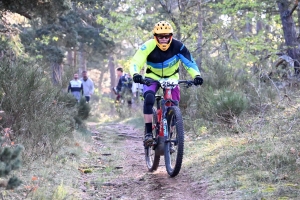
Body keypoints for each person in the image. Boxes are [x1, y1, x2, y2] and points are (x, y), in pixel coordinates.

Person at [129, 21, 203, 146]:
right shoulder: (148, 46)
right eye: (160, 36)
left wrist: (196, 75)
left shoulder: (178, 46)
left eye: (166, 36)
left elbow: (189, 63)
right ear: (155, 36)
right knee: (149, 98)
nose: (163, 39)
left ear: (171, 36)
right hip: (152, 77)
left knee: (173, 104)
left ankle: (171, 134)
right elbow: (136, 61)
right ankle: (148, 133)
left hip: (171, 77)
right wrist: (135, 74)